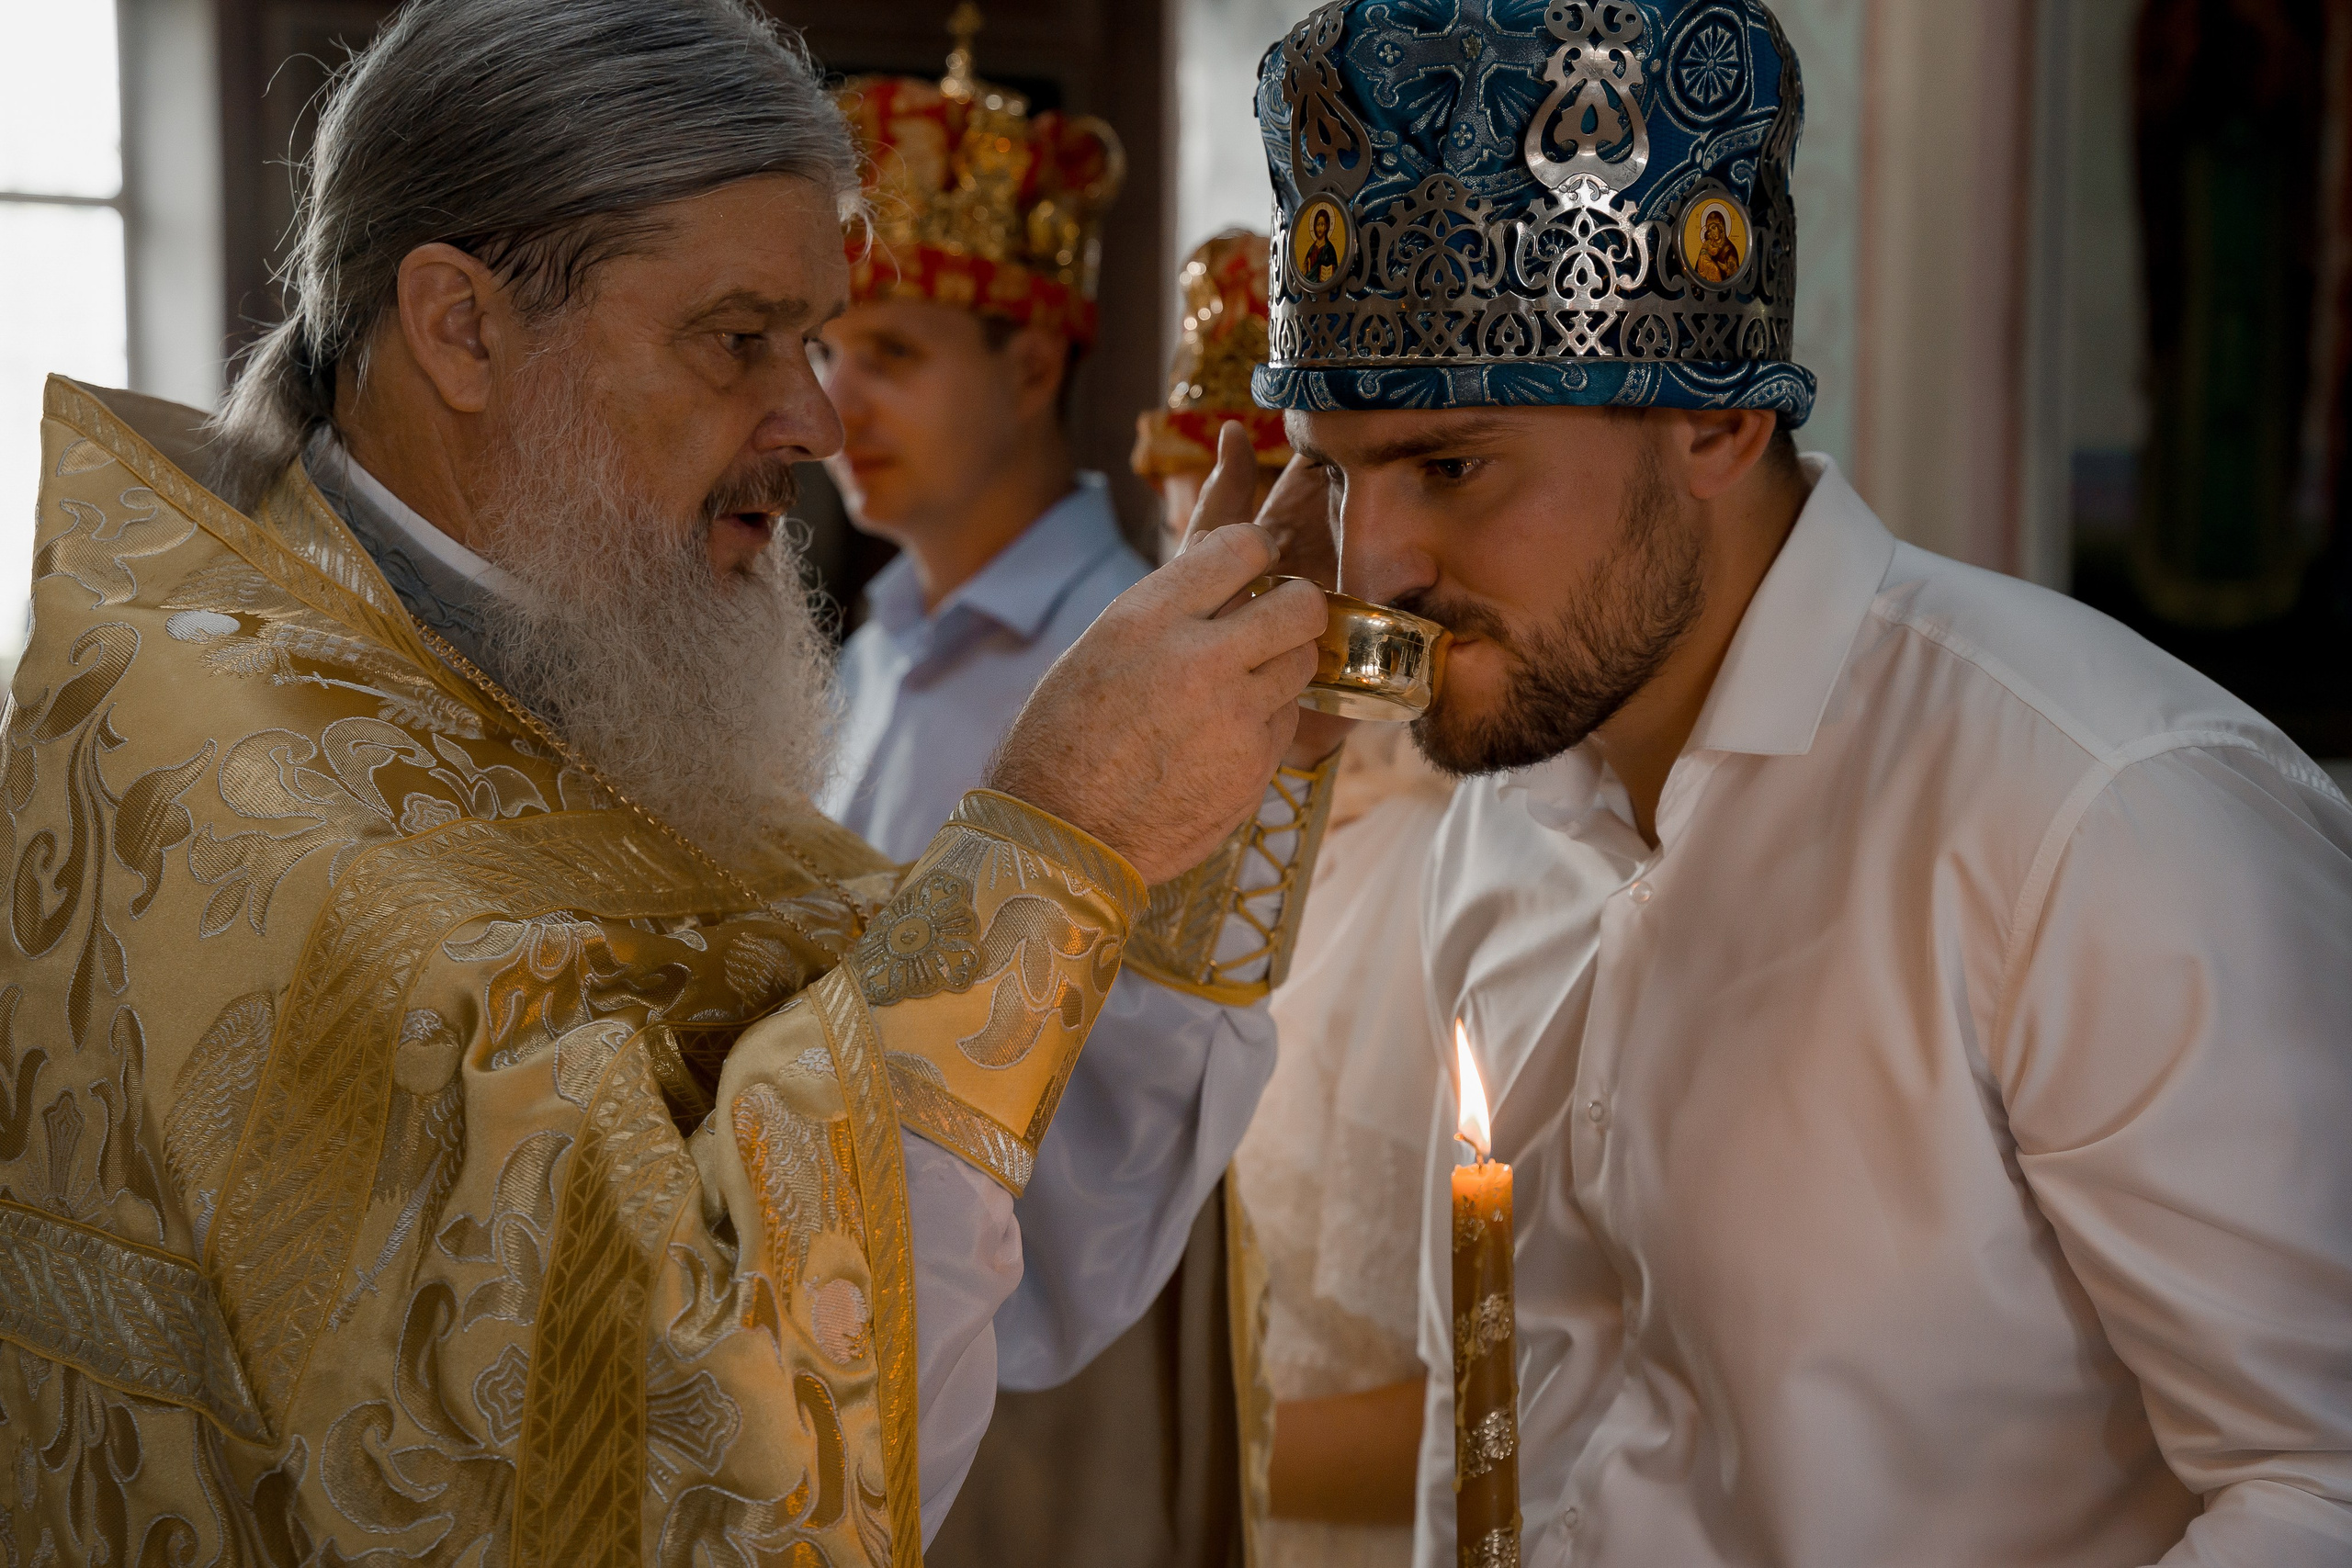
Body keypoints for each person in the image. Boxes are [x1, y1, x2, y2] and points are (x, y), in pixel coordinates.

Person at [0, 3, 1342, 1562]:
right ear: (461, 327)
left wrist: (1171, 821)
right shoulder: (240, 796)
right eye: (738, 338)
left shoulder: (564, 669)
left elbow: (1008, 1250)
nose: (815, 420)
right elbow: (702, 1448)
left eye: (820, 340)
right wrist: (1051, 839)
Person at [1249, 4, 2352, 1566]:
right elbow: (1495, 1430)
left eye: (1451, 466)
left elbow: (2323, 1477)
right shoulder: (1505, 809)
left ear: (1715, 415)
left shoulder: (2098, 816)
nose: (1376, 568)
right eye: (1335, 471)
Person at [1139, 230, 1452, 1567]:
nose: (1193, 573)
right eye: (1182, 516)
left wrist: (1160, 1464)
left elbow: (1506, 1383)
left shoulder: (1448, 867)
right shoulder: (1164, 831)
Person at [815, 34, 1145, 862]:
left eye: (891, 353)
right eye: (823, 353)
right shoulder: (874, 650)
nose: (830, 410)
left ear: (1032, 369)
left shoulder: (1129, 660)